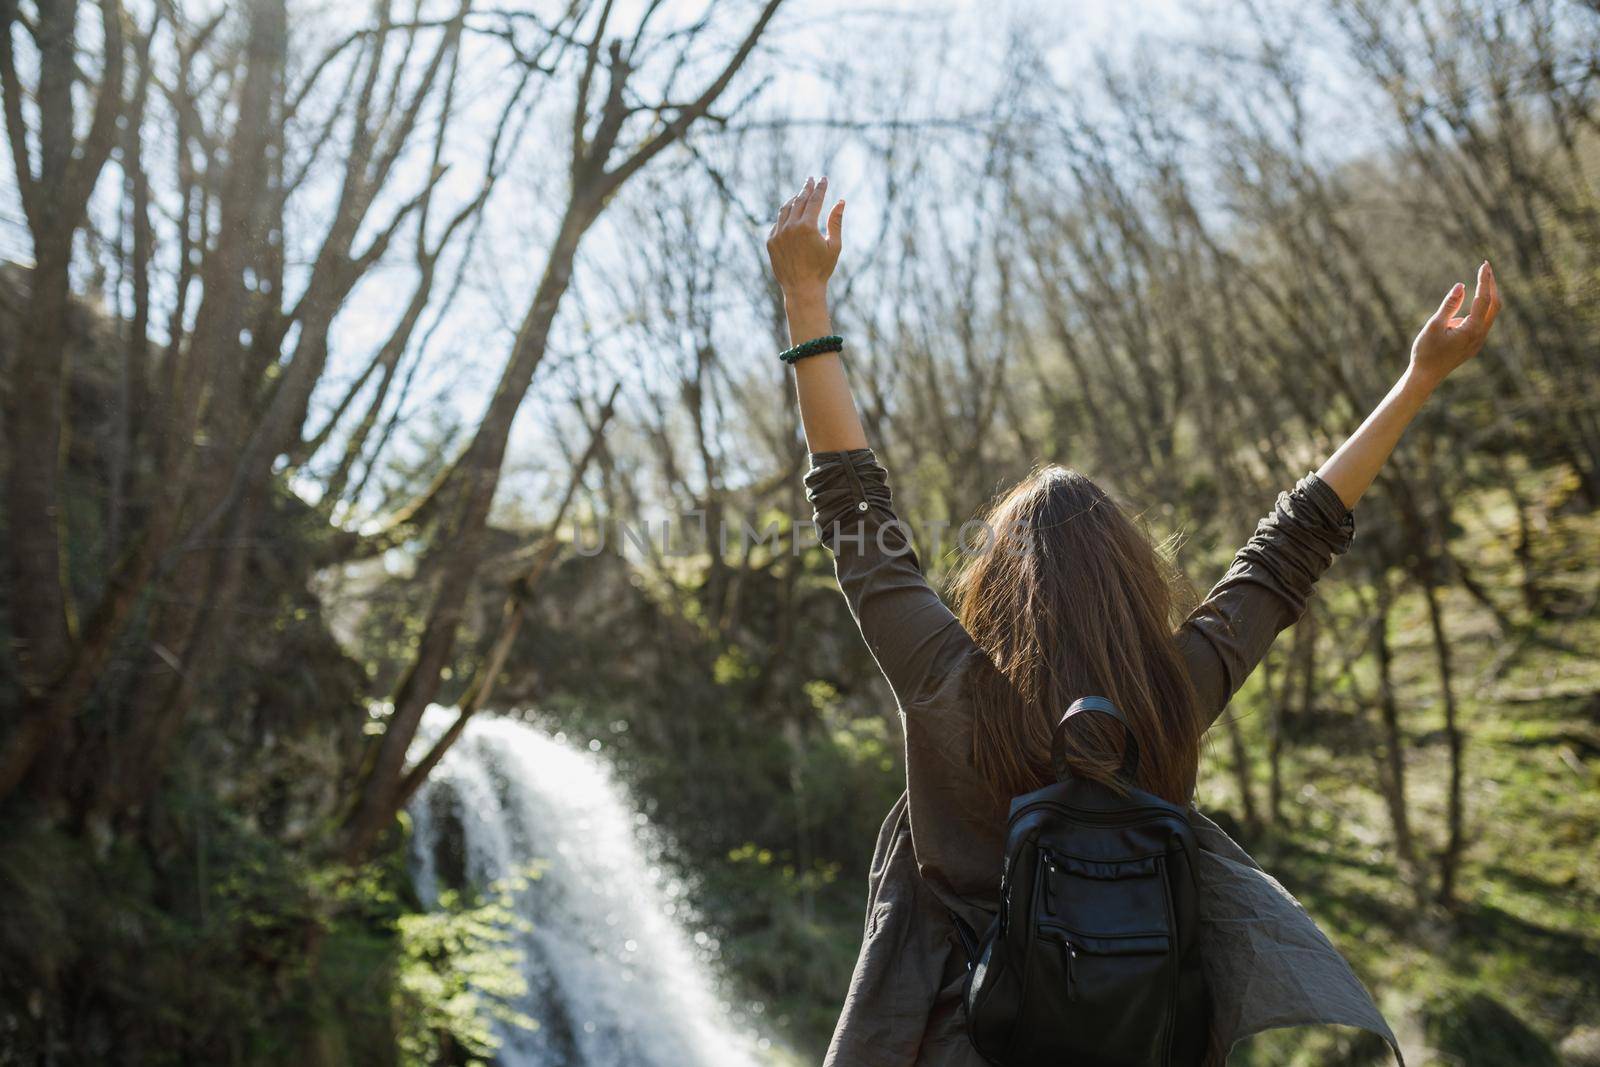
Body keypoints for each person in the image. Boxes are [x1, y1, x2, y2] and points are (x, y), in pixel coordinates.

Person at [764, 175, 1501, 1067]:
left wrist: (806, 295)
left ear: (995, 583)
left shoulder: (950, 684)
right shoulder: (1170, 694)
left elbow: (855, 515)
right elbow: (1291, 547)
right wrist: (1419, 378)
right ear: (1129, 574)